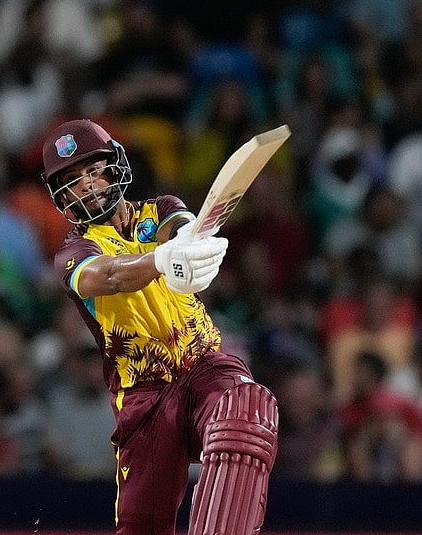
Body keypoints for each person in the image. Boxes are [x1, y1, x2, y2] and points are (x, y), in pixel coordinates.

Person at [40, 119, 279, 535]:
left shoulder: (161, 209)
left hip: (203, 364)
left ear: (115, 166)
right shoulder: (73, 252)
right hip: (142, 396)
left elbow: (183, 229)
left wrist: (194, 248)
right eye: (73, 181)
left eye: (94, 169)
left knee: (244, 409)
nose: (88, 185)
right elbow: (108, 275)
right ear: (62, 196)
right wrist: (161, 260)